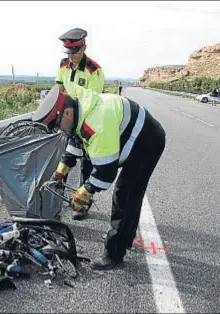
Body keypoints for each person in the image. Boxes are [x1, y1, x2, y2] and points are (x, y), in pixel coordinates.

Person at [32, 85, 167, 270]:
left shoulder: (96, 123)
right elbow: (75, 142)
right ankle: (124, 238)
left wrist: (85, 191)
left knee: (125, 193)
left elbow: (106, 171)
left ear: (66, 113)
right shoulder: (80, 110)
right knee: (130, 193)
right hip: (137, 135)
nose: (58, 129)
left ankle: (114, 254)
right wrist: (60, 171)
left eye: (56, 124)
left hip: (147, 141)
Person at [54, 27, 106, 220]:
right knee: (63, 161)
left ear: (83, 48)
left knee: (87, 164)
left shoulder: (94, 70)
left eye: (74, 52)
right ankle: (56, 201)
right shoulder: (63, 65)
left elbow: (93, 103)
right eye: (68, 52)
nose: (71, 56)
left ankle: (81, 205)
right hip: (67, 121)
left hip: (86, 123)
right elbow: (60, 90)